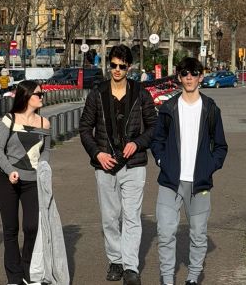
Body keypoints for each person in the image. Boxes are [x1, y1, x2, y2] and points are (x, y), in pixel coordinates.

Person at [79, 44, 157, 285]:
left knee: (132, 216)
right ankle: (115, 260)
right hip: (105, 165)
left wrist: (138, 143)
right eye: (113, 65)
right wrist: (97, 154)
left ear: (129, 67)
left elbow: (154, 126)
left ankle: (131, 267)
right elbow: (85, 128)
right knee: (110, 217)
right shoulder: (97, 94)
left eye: (122, 66)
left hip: (134, 165)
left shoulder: (140, 93)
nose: (116, 70)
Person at [151, 57, 228, 285]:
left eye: (194, 73)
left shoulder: (210, 108)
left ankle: (193, 277)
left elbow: (221, 146)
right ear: (178, 77)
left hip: (199, 183)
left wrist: (209, 167)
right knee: (165, 233)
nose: (189, 78)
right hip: (170, 181)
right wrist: (162, 160)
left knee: (198, 234)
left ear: (201, 77)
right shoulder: (168, 108)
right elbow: (157, 140)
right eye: (185, 73)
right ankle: (167, 279)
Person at [0, 80, 51, 285]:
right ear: (26, 96)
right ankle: (14, 277)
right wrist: (10, 171)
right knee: (10, 229)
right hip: (7, 181)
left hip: (33, 182)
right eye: (38, 94)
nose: (41, 97)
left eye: (42, 94)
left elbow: (46, 151)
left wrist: (43, 168)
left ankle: (27, 270)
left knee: (32, 227)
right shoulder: (10, 119)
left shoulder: (44, 123)